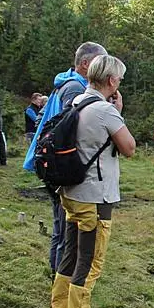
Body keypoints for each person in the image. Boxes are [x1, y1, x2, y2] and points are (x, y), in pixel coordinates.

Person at [48, 55, 135, 308]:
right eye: (119, 80)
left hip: (71, 193)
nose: (120, 84)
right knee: (90, 263)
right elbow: (130, 148)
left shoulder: (78, 103)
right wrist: (117, 113)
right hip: (95, 198)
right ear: (111, 81)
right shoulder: (104, 111)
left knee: (70, 255)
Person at [24, 42, 107, 274]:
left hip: (54, 163)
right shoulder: (74, 88)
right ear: (85, 64)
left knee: (63, 225)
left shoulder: (68, 83)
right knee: (65, 229)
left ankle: (59, 275)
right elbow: (70, 130)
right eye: (100, 62)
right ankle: (59, 279)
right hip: (59, 165)